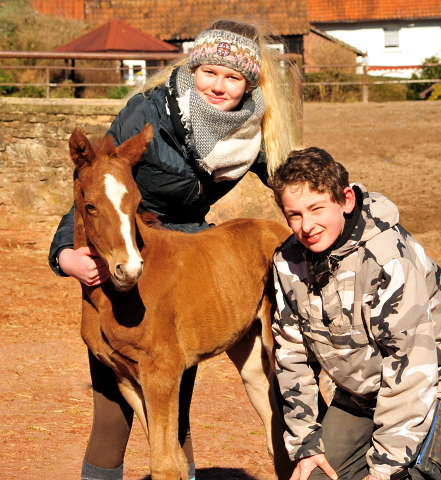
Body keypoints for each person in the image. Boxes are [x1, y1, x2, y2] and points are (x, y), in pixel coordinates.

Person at [48, 19, 300, 480]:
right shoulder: (146, 113)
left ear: (249, 83)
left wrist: (345, 209)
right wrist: (65, 253)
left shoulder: (249, 131)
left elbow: (295, 185)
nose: (218, 86)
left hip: (184, 270)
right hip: (123, 249)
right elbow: (95, 190)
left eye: (233, 77)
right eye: (209, 71)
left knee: (173, 407)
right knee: (111, 416)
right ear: (193, 66)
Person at [270, 147, 441, 480]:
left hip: (430, 390)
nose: (307, 225)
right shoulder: (287, 262)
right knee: (315, 475)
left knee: (411, 474)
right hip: (361, 396)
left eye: (317, 208)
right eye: (294, 215)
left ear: (345, 200)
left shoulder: (388, 260)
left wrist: (385, 468)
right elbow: (291, 353)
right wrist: (306, 441)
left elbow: (412, 370)